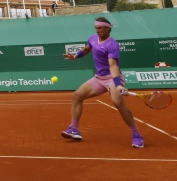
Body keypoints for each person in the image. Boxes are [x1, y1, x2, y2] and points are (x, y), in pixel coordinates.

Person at [61, 18, 143, 148]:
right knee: (77, 96)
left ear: (107, 28)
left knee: (118, 103)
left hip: (112, 78)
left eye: (100, 28)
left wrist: (118, 84)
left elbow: (113, 65)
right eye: (96, 28)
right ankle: (74, 129)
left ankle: (136, 134)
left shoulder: (112, 45)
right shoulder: (93, 38)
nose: (97, 30)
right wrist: (76, 56)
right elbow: (87, 49)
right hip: (99, 78)